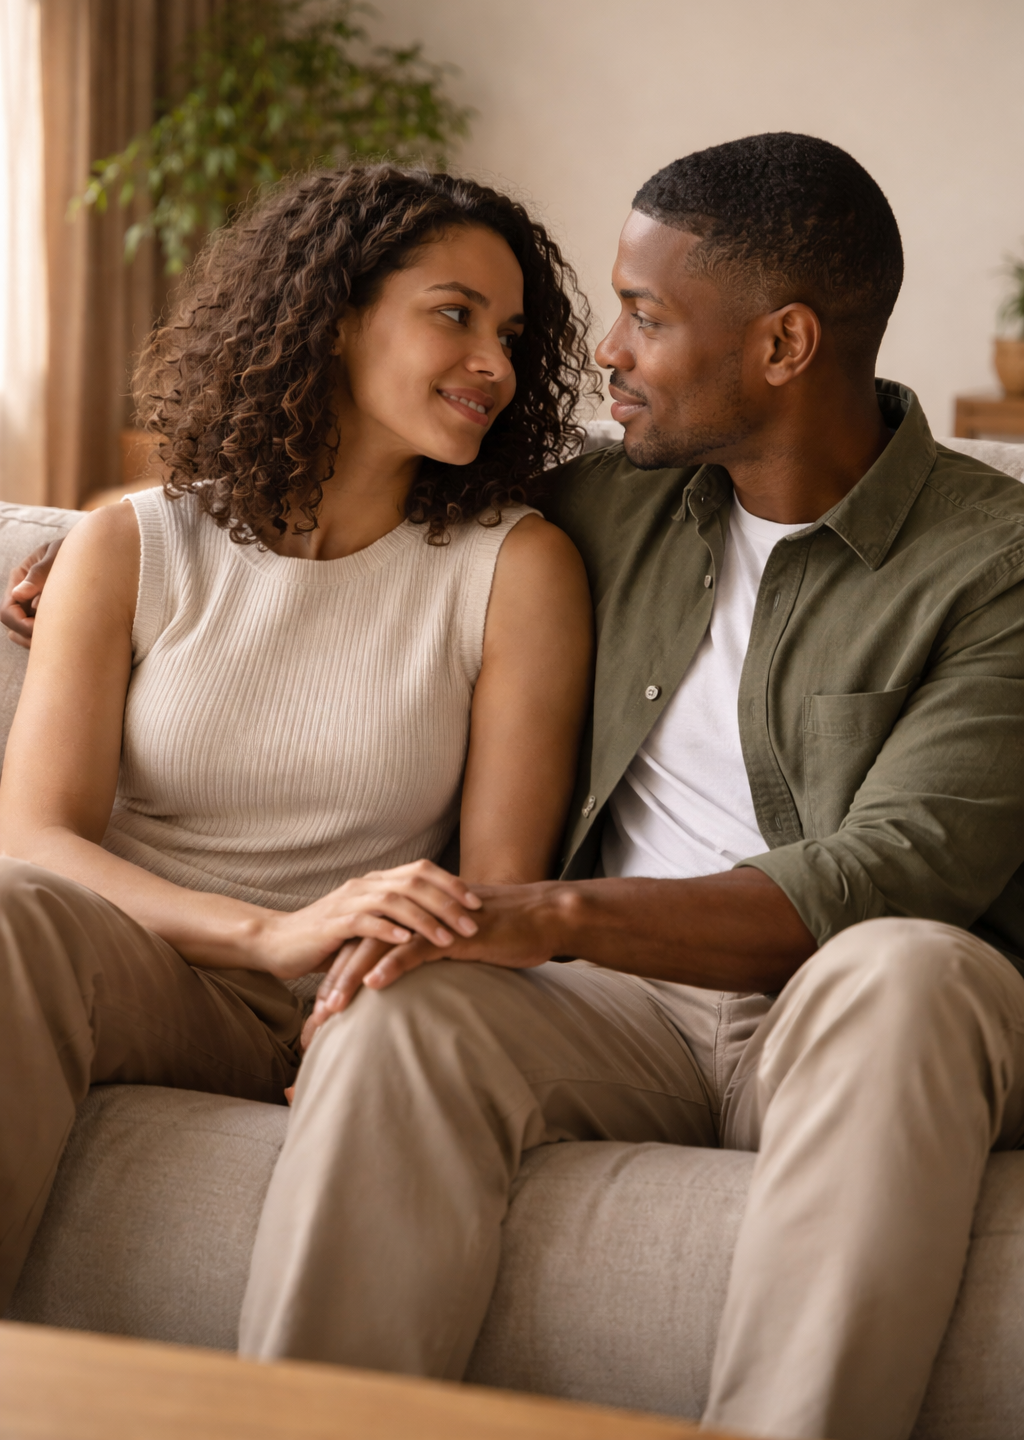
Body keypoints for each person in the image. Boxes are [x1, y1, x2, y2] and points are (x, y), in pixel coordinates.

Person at [8, 134, 1024, 1440]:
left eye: (646, 318)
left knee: (910, 968)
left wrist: (549, 916)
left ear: (780, 347)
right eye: (608, 311)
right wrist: (77, 569)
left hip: (838, 995)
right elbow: (348, 502)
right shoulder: (619, 497)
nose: (598, 353)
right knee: (404, 1000)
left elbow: (889, 873)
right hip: (621, 1014)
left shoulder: (992, 564)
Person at [0, 167, 595, 1318]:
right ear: (332, 316)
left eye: (511, 334)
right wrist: (265, 933)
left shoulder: (513, 570)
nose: (496, 365)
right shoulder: (135, 542)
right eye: (453, 314)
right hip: (140, 972)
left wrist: (332, 979)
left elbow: (495, 892)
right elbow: (31, 837)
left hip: (345, 1008)